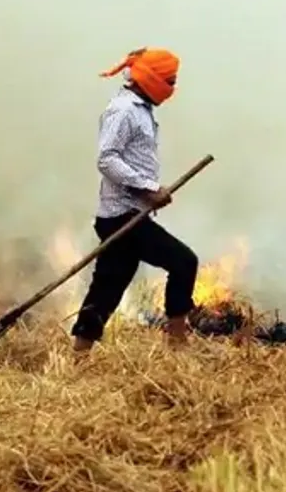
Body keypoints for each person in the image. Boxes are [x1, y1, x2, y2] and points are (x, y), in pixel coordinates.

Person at [70, 47, 199, 354]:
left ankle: (79, 354)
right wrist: (148, 188)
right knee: (184, 262)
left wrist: (148, 192)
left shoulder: (140, 109)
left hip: (128, 214)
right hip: (122, 216)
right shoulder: (124, 110)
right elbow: (107, 160)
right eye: (169, 80)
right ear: (152, 79)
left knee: (107, 287)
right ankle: (177, 344)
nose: (172, 88)